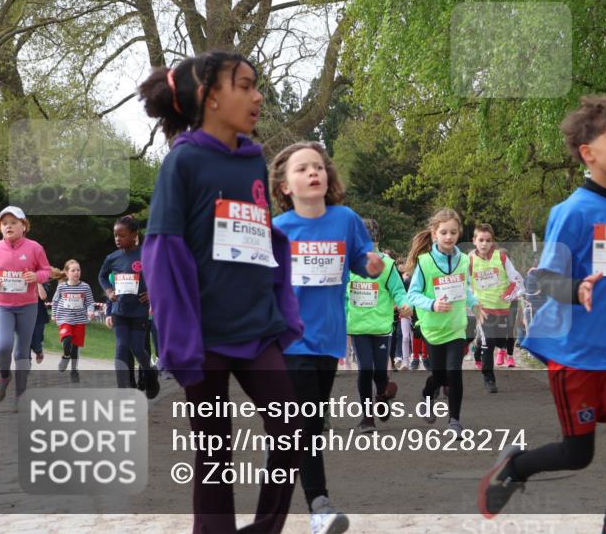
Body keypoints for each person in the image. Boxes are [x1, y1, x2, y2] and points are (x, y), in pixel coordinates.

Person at [140, 50, 305, 534]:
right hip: (204, 339)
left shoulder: (254, 161)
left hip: (257, 331)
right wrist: (179, 341)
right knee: (214, 452)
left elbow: (262, 241)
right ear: (211, 97)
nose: (257, 97)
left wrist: (279, 308)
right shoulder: (183, 162)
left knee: (292, 431)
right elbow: (163, 253)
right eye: (246, 85)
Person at [479, 95, 606, 534]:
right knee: (579, 454)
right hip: (574, 353)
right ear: (589, 153)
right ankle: (515, 468)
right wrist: (577, 288)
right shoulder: (571, 212)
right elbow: (545, 280)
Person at [269, 140, 383, 533]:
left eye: (318, 166)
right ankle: (319, 506)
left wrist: (370, 264)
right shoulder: (278, 230)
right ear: (285, 186)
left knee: (310, 427)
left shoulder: (345, 219)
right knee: (303, 426)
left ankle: (279, 502)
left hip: (330, 340)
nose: (313, 173)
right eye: (301, 169)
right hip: (290, 341)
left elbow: (362, 262)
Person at [405, 208, 478, 438]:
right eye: (444, 232)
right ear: (434, 234)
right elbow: (413, 294)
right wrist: (432, 304)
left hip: (456, 327)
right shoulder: (424, 262)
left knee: (454, 372)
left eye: (453, 232)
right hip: (433, 329)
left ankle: (454, 420)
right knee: (440, 376)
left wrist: (476, 304)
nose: (449, 237)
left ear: (459, 234)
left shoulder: (464, 259)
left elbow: (465, 288)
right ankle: (428, 393)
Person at [346, 217, 410, 432]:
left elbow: (399, 291)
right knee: (365, 369)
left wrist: (404, 304)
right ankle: (367, 417)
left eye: (370, 240)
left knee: (380, 372)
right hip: (358, 326)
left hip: (382, 327)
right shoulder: (347, 265)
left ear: (377, 239)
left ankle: (382, 393)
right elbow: (342, 295)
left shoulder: (388, 265)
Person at [0, 206, 52, 403]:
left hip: (27, 306)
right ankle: (4, 376)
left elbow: (46, 271)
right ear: (0, 227)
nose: (8, 226)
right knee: (4, 346)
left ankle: (21, 393)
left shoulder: (35, 248)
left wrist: (36, 276)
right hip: (3, 306)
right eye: (5, 224)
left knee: (22, 352)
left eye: (13, 223)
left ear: (24, 226)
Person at [100, 216, 158, 398]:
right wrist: (109, 292)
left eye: (121, 235)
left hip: (140, 311)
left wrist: (153, 293)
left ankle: (150, 373)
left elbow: (161, 276)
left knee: (138, 348)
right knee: (121, 347)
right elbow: (102, 277)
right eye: (115, 235)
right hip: (120, 310)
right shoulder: (112, 258)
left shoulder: (147, 254)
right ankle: (122, 389)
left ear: (134, 235)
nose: (117, 239)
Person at [469, 223, 525, 393]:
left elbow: (517, 280)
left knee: (501, 341)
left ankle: (478, 346)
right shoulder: (469, 260)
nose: (484, 244)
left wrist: (509, 295)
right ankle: (489, 378)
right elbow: (464, 283)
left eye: (487, 240)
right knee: (490, 342)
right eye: (481, 240)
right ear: (474, 241)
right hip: (483, 309)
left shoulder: (501, 257)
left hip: (503, 308)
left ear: (492, 242)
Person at [53, 259, 95, 384]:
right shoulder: (61, 287)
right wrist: (54, 314)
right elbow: (55, 301)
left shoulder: (85, 287)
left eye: (78, 270)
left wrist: (91, 311)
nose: (76, 272)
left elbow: (90, 302)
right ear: (66, 273)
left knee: (75, 347)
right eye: (73, 270)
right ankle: (65, 356)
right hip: (64, 318)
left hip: (79, 320)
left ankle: (74, 370)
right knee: (67, 339)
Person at [29, 279, 52, 365]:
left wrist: (38, 282)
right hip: (23, 313)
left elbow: (43, 296)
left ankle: (38, 350)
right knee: (25, 343)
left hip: (38, 315)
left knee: (36, 340)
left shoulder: (42, 278)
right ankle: (26, 366)